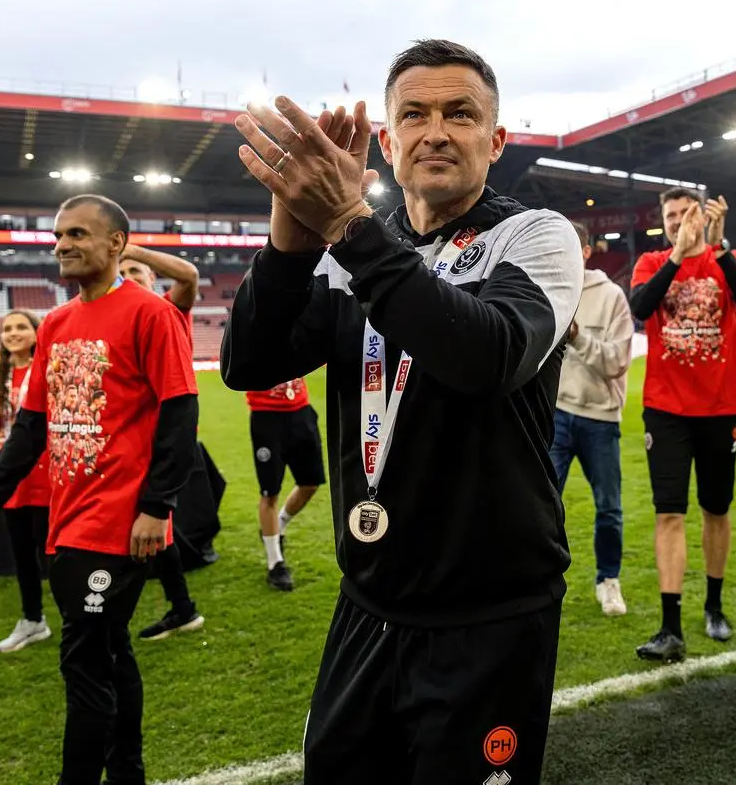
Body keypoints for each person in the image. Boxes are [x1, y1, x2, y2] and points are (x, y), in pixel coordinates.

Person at [222, 39, 582, 783]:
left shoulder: (535, 236)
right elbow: (249, 363)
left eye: (461, 113)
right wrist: (291, 234)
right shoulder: (354, 253)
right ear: (386, 143)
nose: (437, 130)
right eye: (413, 114)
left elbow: (487, 357)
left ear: (497, 139)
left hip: (488, 614)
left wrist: (351, 225)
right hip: (369, 600)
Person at [0, 194, 199, 785]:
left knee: (84, 660)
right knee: (109, 652)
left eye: (79, 233)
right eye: (59, 234)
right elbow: (32, 424)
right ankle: (128, 773)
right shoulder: (57, 324)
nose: (63, 244)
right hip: (67, 519)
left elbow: (179, 415)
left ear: (117, 244)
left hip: (118, 523)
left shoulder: (150, 313)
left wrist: (155, 507)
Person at [629, 188, 736, 663]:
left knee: (716, 510)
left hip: (721, 407)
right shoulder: (651, 263)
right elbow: (641, 308)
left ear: (705, 218)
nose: (678, 221)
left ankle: (714, 605)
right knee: (669, 513)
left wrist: (719, 249)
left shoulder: (733, 258)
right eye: (670, 216)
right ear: (662, 222)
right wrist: (678, 257)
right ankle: (670, 627)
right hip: (666, 410)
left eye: (687, 214)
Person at [118, 249, 205, 640]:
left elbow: (188, 275)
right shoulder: (118, 321)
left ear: (153, 278)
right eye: (120, 272)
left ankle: (176, 607)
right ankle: (181, 608)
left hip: (164, 437)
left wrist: (126, 248)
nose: (129, 276)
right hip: (129, 438)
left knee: (152, 520)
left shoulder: (168, 310)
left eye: (136, 271)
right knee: (158, 526)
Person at [548, 220, 632, 617]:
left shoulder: (611, 295)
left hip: (600, 418)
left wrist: (579, 336)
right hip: (558, 414)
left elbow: (617, 362)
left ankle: (608, 580)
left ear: (585, 251)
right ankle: (540, 580)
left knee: (609, 508)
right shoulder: (551, 286)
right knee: (543, 504)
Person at [0, 309, 53, 652]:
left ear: (36, 333)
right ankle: (33, 620)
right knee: (22, 554)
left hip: (48, 470)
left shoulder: (49, 365)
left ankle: (80, 619)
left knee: (54, 554)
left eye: (21, 326)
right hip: (11, 474)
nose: (13, 333)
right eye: (7, 328)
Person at [246, 377, 325, 591]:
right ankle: (275, 564)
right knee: (269, 492)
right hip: (266, 416)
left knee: (310, 483)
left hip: (301, 411)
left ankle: (277, 526)